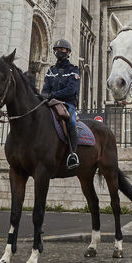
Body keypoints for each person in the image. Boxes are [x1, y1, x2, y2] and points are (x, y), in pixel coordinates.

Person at [42, 39, 81, 169]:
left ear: (68, 52)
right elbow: (45, 89)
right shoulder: (50, 70)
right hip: (50, 103)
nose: (59, 52)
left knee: (71, 122)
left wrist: (53, 95)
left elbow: (71, 90)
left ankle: (73, 154)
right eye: (57, 50)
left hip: (67, 104)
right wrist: (44, 96)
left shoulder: (73, 70)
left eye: (62, 50)